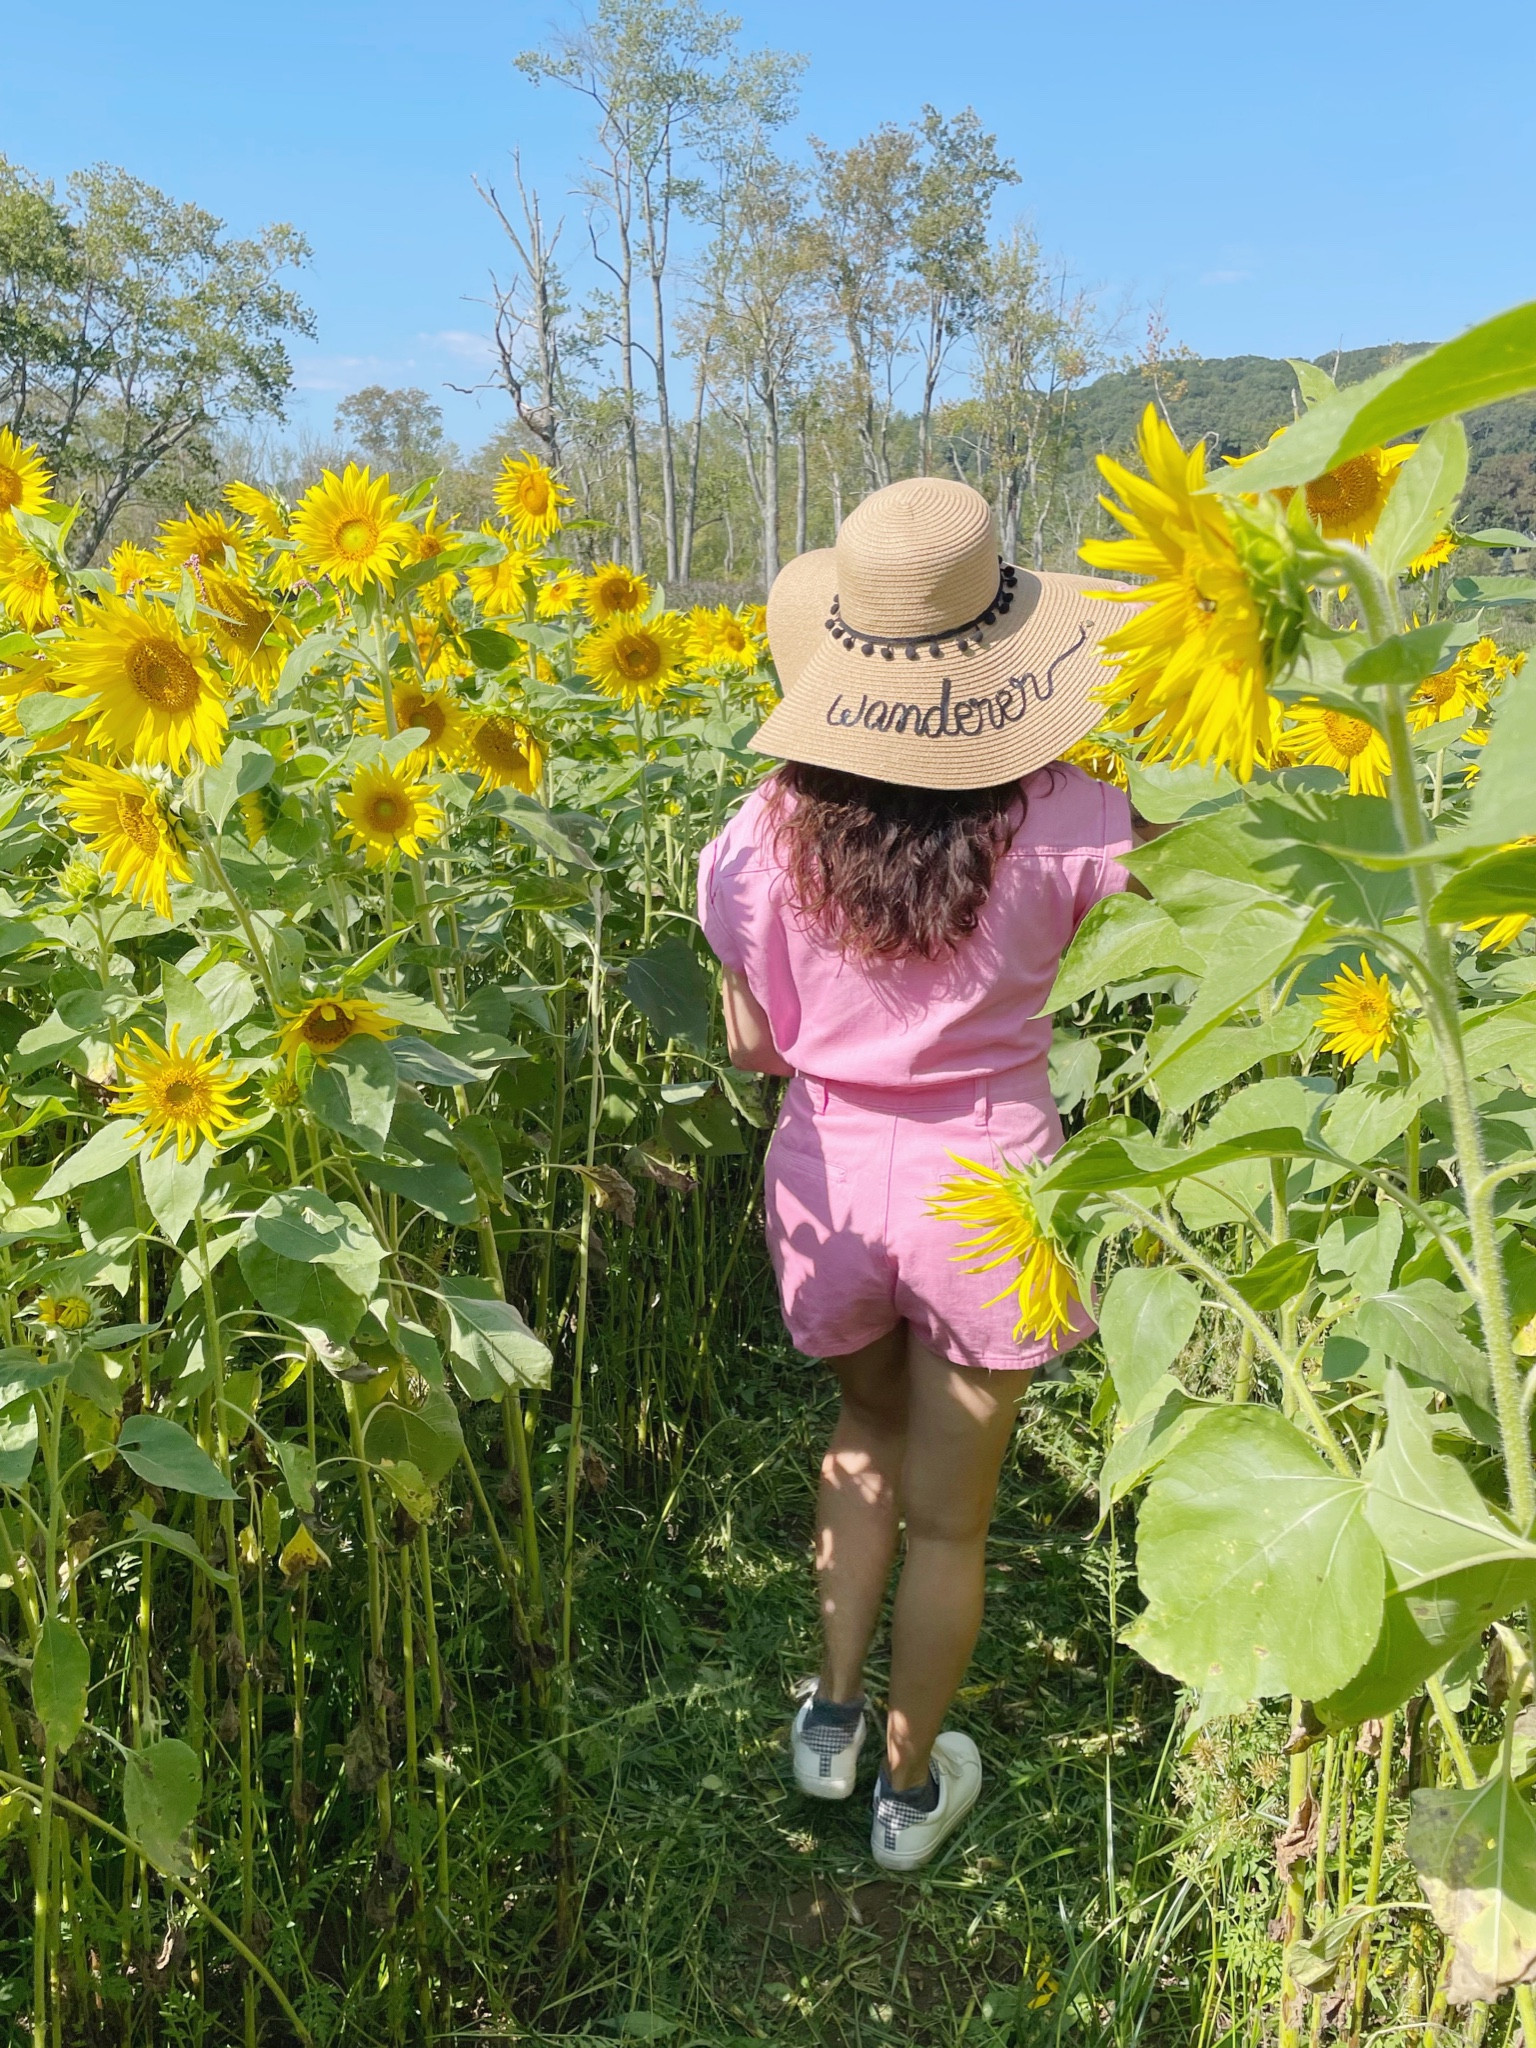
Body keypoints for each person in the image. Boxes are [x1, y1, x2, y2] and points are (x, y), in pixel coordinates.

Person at [696, 476, 1135, 1873]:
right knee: (954, 1520)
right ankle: (906, 1794)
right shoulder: (1070, 817)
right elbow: (1188, 933)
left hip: (832, 1177)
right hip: (992, 1194)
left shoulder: (761, 834)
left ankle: (828, 1726)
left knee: (857, 1436)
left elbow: (756, 1044)